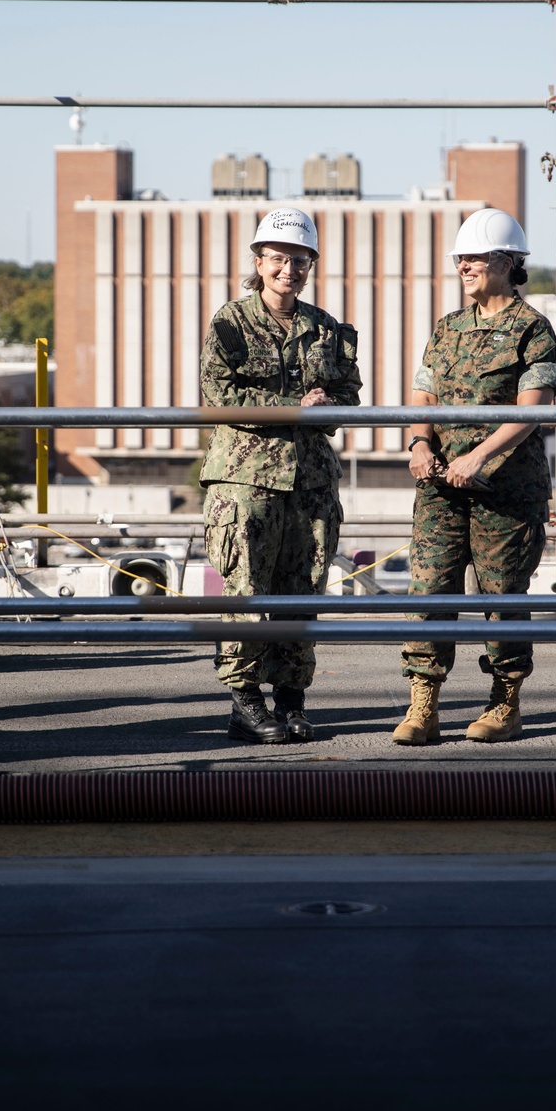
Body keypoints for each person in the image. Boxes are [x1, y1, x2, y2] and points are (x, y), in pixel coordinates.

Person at [395, 208, 556, 747]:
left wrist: (479, 458)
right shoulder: (447, 328)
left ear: (508, 263)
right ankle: (424, 706)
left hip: (505, 492)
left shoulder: (533, 330)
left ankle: (505, 703)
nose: (463, 265)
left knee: (502, 595)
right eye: (460, 258)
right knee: (430, 591)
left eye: (474, 256)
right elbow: (423, 395)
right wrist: (420, 441)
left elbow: (532, 410)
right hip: (440, 486)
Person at [200, 208, 361, 745]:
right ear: (258, 262)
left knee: (302, 592)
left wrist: (325, 405)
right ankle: (245, 704)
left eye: (299, 260)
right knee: (246, 592)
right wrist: (297, 405)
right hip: (246, 480)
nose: (288, 270)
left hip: (311, 483)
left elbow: (346, 398)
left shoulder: (326, 328)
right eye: (277, 259)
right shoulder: (231, 322)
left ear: (311, 265)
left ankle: (292, 702)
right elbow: (220, 395)